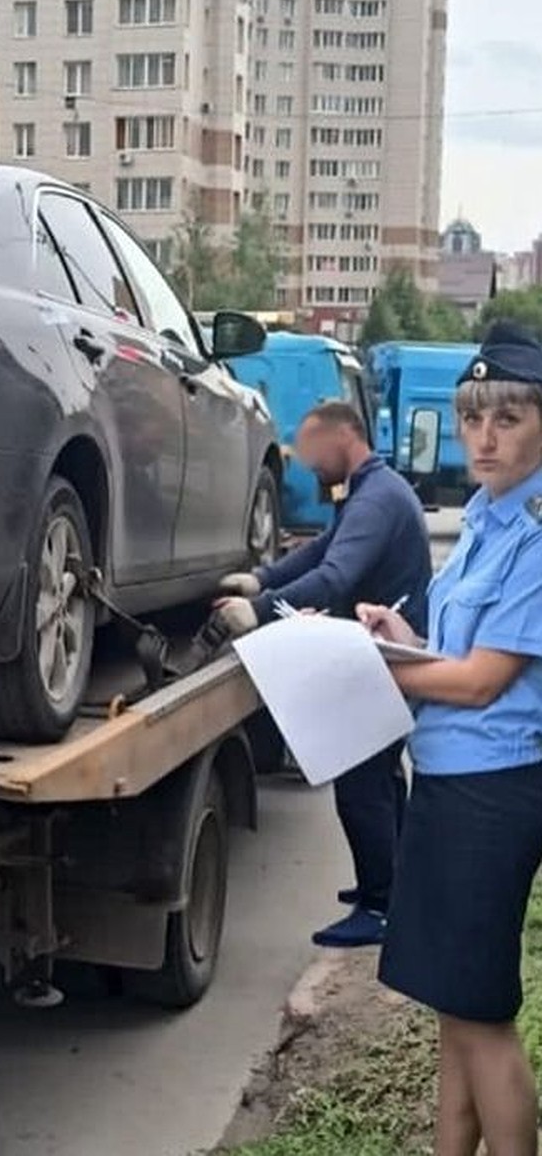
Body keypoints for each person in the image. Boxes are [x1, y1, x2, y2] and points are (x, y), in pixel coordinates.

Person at [359, 322, 542, 1156]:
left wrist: (377, 670)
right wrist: (400, 634)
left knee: (482, 1021)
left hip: (491, 795)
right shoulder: (484, 516)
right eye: (473, 418)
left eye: (507, 418)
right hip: (445, 782)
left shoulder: (536, 535)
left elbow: (480, 682)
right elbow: (454, 656)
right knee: (451, 1013)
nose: (483, 437)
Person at [212, 400, 432, 947]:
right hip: (379, 648)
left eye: (314, 450)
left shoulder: (376, 499)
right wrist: (261, 580)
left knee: (360, 782)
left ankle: (380, 906)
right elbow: (318, 554)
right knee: (382, 775)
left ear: (344, 437)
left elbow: (335, 577)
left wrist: (256, 613)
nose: (309, 465)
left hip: (381, 650)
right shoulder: (369, 492)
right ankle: (396, 887)